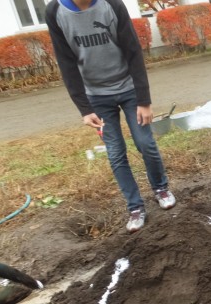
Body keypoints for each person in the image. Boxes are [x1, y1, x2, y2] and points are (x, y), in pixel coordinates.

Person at [46, 0, 176, 234]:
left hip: (128, 89)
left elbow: (133, 51)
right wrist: (84, 109)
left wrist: (144, 100)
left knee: (145, 143)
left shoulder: (111, 5)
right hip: (96, 96)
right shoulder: (55, 11)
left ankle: (161, 189)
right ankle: (135, 207)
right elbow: (66, 62)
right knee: (116, 152)